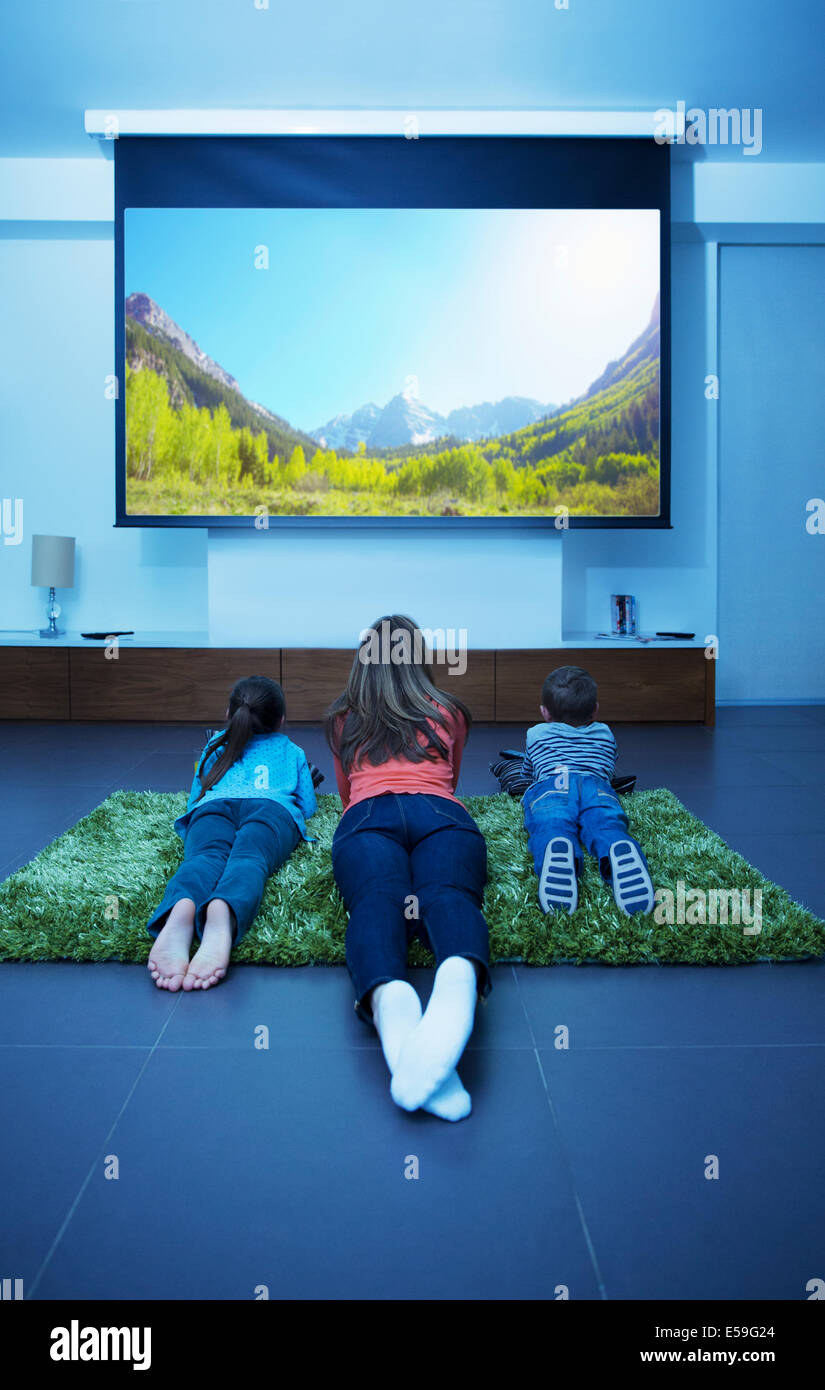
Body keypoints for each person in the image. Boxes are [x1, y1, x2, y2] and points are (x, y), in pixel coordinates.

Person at [326, 615, 490, 1123]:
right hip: (440, 811)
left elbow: (346, 795)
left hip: (367, 815)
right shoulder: (449, 711)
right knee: (448, 895)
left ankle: (389, 998)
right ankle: (458, 977)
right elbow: (451, 780)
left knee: (377, 899)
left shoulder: (344, 718)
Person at [147, 675, 316, 992]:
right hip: (270, 809)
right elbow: (307, 806)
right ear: (281, 720)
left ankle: (182, 906)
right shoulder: (292, 751)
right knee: (249, 859)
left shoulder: (214, 745)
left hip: (214, 807)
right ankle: (223, 909)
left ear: (229, 714)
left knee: (203, 857)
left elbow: (195, 797)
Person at [521, 665, 654, 916]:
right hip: (596, 786)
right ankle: (617, 846)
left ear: (544, 712)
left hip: (554, 785)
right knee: (605, 825)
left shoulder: (536, 734)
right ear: (595, 710)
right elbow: (609, 765)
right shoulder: (605, 733)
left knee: (551, 823)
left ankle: (557, 845)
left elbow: (528, 771)